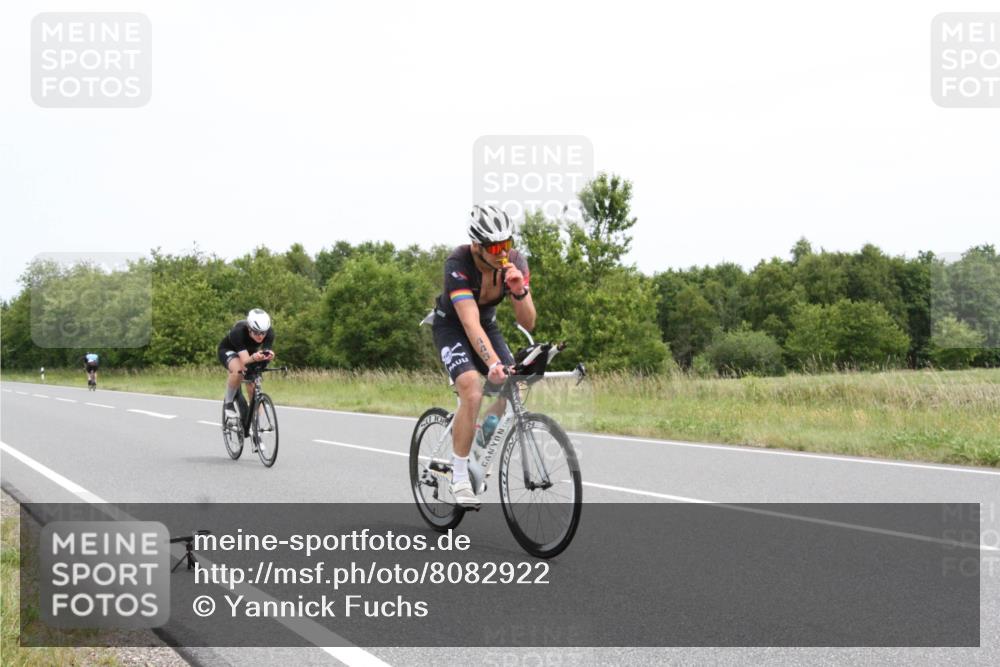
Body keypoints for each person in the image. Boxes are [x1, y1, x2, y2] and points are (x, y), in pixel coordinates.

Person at [431, 205, 535, 508]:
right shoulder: (458, 262)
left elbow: (528, 322)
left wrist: (519, 292)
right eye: (495, 247)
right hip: (453, 326)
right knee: (472, 390)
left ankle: (477, 447)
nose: (504, 253)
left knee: (517, 386)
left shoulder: (515, 262)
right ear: (477, 246)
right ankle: (459, 476)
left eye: (508, 244)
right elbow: (468, 321)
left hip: (486, 326)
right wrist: (492, 364)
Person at [218, 309, 275, 432]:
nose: (260, 336)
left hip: (249, 352)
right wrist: (255, 357)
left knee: (253, 383)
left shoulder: (269, 333)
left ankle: (253, 420)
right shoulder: (238, 333)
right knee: (239, 370)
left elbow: (264, 354)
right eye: (256, 332)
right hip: (229, 350)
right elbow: (245, 361)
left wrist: (268, 356)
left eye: (263, 333)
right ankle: (228, 402)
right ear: (249, 328)